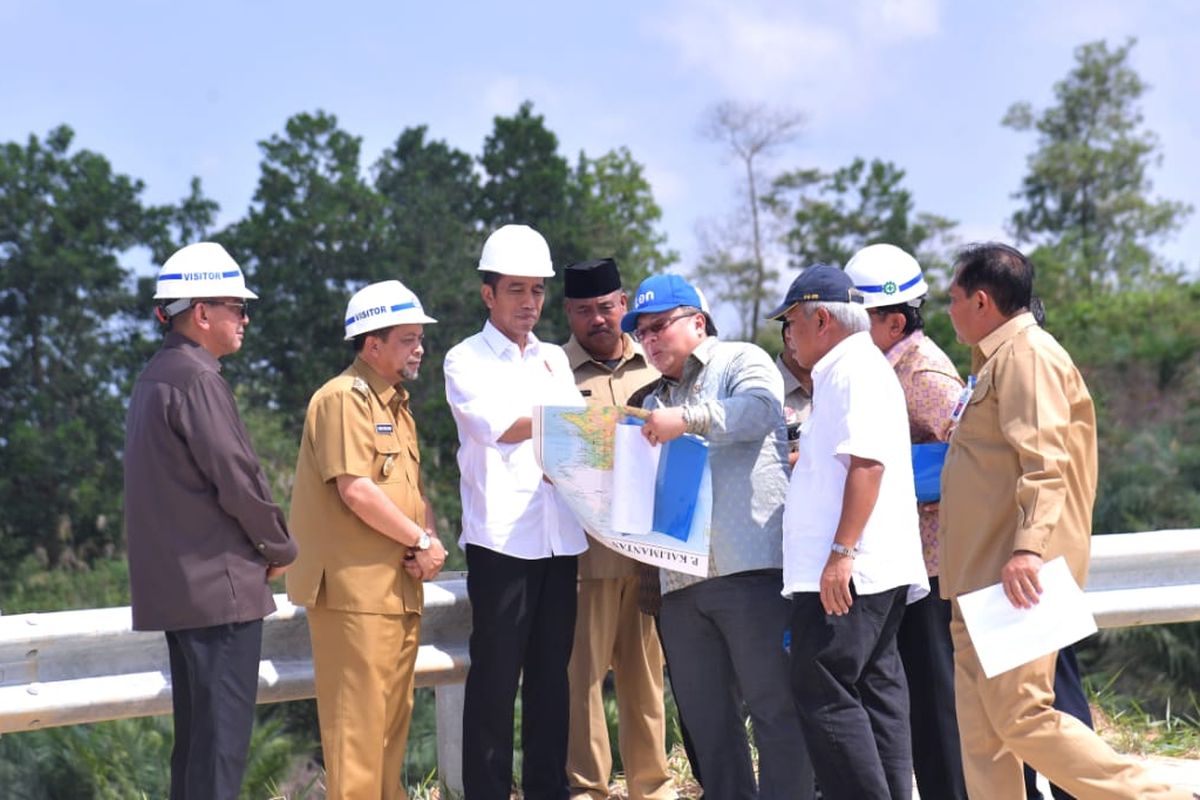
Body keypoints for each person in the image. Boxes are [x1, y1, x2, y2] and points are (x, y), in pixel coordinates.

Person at [940, 242, 1193, 799]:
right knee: (984, 737)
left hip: (1017, 575)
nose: (949, 309)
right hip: (977, 579)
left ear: (981, 301)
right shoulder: (995, 362)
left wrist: (1028, 549)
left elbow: (1046, 463)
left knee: (1022, 716)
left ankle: (1156, 795)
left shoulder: (1029, 355)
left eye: (953, 298)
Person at [622, 273, 814, 800]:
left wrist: (687, 419)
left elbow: (760, 411)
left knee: (774, 709)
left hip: (750, 568)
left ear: (698, 322)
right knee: (709, 727)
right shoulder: (649, 398)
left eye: (660, 326)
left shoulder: (741, 360)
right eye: (642, 334)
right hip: (679, 582)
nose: (652, 341)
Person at [124, 242, 298, 800]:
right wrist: (278, 548)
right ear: (201, 313)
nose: (245, 318)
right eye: (236, 307)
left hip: (179, 593)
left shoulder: (154, 378)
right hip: (220, 593)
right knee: (221, 754)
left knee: (197, 753)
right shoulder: (199, 380)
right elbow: (238, 479)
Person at [766, 264, 929, 800]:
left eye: (790, 323)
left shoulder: (847, 370)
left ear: (820, 319)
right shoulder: (857, 367)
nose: (788, 337)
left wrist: (841, 552)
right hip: (872, 566)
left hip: (848, 570)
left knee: (822, 685)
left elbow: (868, 464)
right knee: (876, 687)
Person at [286, 280, 447, 800]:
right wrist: (422, 542)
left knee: (387, 739)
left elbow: (410, 492)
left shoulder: (398, 406)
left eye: (420, 338)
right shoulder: (340, 399)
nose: (419, 348)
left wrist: (428, 546)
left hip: (395, 593)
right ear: (371, 344)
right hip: (354, 596)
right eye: (407, 339)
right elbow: (356, 490)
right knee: (357, 739)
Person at [444, 224, 588, 800]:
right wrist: (562, 420)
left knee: (553, 679)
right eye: (516, 290)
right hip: (503, 541)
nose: (529, 303)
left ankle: (547, 790)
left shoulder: (554, 357)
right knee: (496, 681)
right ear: (488, 294)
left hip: (562, 536)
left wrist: (565, 424)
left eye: (537, 290)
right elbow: (496, 426)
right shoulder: (465, 358)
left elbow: (577, 440)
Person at [844, 243, 968, 800]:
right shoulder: (886, 365)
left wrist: (904, 474)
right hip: (914, 559)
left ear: (894, 321)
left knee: (938, 700)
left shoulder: (921, 370)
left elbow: (971, 452)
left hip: (937, 559)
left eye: (859, 318)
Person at [560, 259, 673, 800]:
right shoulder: (555, 370)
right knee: (581, 682)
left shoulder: (654, 363)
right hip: (586, 553)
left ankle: (652, 787)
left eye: (606, 307)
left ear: (624, 304)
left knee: (646, 679)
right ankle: (588, 790)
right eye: (584, 311)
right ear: (568, 314)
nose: (598, 320)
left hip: (652, 553)